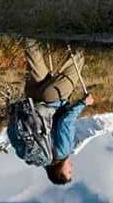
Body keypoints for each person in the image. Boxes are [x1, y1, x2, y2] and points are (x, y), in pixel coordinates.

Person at [12, 39, 93, 184]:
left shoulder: (63, 151)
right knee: (33, 54)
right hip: (32, 101)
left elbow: (66, 122)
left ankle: (73, 30)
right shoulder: (34, 156)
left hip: (53, 97)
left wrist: (83, 103)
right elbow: (12, 132)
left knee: (78, 58)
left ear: (59, 171)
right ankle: (26, 26)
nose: (71, 167)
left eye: (68, 171)